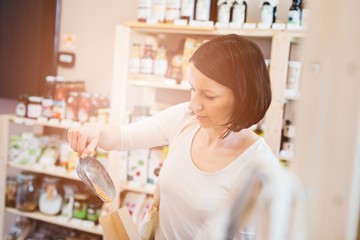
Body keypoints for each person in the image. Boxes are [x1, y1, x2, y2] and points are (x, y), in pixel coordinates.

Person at [68, 34, 280, 239]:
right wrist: (95, 130)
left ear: (243, 96)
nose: (193, 104)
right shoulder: (185, 118)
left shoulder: (259, 168)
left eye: (208, 95)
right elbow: (124, 137)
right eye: (193, 89)